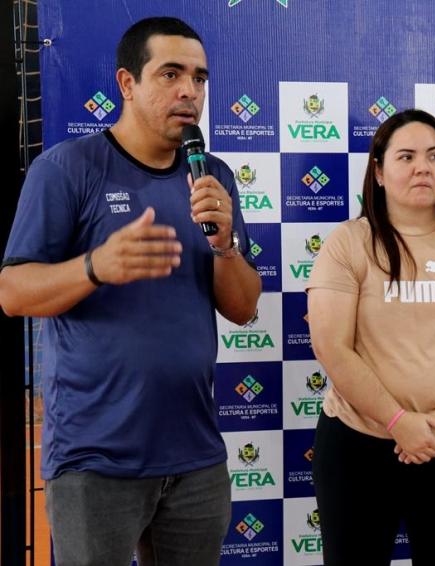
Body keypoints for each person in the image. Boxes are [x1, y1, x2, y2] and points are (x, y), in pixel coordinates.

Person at [0, 17, 261, 566]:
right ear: (127, 83)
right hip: (96, 459)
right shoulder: (67, 168)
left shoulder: (212, 176)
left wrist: (225, 247)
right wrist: (95, 266)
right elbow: (14, 293)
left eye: (199, 78)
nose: (189, 91)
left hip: (195, 454)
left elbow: (242, 308)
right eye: (171, 74)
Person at [306, 108, 435, 565]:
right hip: (358, 446)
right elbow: (332, 347)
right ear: (379, 172)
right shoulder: (347, 242)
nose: (423, 167)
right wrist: (399, 422)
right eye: (406, 156)